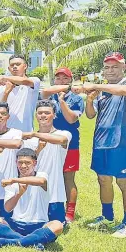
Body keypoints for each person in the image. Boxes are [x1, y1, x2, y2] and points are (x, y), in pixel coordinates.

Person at [83, 52, 126, 238]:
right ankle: (107, 217)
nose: (110, 70)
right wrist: (90, 99)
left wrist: (95, 85)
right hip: (100, 142)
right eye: (107, 67)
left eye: (115, 66)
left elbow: (124, 92)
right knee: (103, 180)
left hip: (121, 143)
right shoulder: (103, 91)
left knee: (124, 182)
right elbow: (91, 115)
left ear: (123, 67)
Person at [0, 148, 63, 250]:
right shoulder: (12, 182)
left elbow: (41, 181)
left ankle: (14, 241)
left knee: (58, 225)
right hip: (16, 224)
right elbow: (8, 209)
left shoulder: (41, 175)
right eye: (20, 163)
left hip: (39, 224)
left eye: (27, 163)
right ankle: (30, 241)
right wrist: (19, 194)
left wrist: (14, 180)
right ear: (16, 163)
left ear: (35, 163)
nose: (23, 166)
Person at [40, 67, 85, 223]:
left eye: (65, 78)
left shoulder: (77, 98)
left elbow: (72, 118)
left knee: (68, 177)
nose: (61, 81)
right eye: (58, 78)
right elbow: (44, 92)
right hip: (49, 140)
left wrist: (61, 101)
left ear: (70, 80)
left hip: (70, 143)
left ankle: (70, 212)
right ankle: (48, 206)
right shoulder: (48, 95)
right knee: (48, 174)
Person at [22, 100, 72, 223]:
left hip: (55, 193)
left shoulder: (63, 133)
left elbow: (61, 141)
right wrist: (38, 149)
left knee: (57, 225)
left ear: (54, 115)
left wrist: (36, 134)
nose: (43, 115)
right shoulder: (28, 140)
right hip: (34, 192)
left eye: (47, 113)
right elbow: (27, 164)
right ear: (36, 116)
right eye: (40, 113)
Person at [0, 54, 41, 132]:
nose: (15, 66)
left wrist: (5, 77)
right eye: (12, 65)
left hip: (26, 132)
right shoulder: (2, 88)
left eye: (18, 64)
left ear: (25, 66)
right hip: (6, 133)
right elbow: (0, 109)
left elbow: (24, 81)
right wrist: (6, 92)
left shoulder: (33, 81)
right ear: (9, 68)